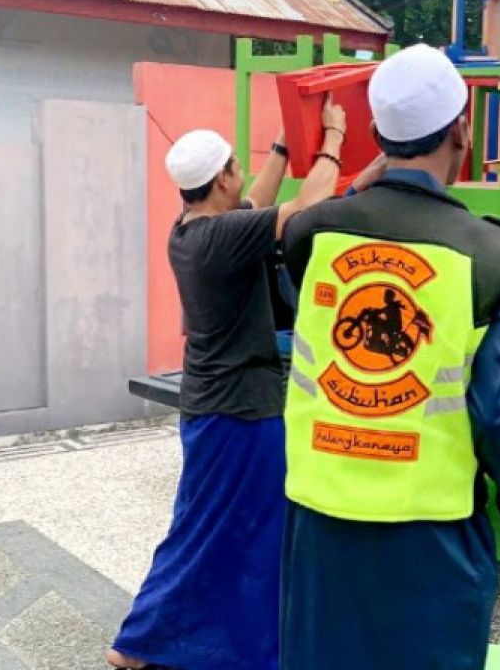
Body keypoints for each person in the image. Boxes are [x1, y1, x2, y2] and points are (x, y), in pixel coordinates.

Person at [279, 45, 500, 670]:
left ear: (375, 135)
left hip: (319, 529)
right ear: (463, 130)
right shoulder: (493, 257)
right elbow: (499, 412)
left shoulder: (311, 236)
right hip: (431, 536)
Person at [107, 100, 354, 670]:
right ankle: (146, 644)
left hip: (216, 409)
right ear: (220, 178)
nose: (244, 172)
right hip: (239, 412)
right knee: (237, 530)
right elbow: (304, 206)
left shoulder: (192, 230)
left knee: (205, 526)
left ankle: (147, 642)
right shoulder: (220, 239)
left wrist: (286, 148)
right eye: (237, 165)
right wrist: (333, 139)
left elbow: (259, 203)